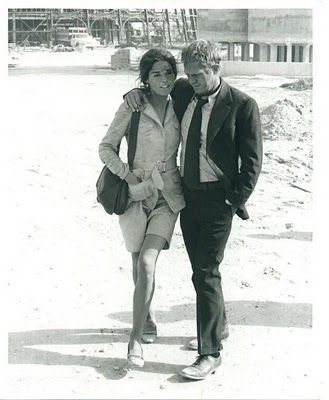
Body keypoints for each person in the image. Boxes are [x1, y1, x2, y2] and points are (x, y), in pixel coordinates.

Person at [124, 39, 262, 379]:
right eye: (189, 75)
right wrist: (133, 93)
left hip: (219, 200)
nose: (193, 80)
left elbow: (253, 161)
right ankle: (221, 326)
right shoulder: (185, 91)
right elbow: (154, 86)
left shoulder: (243, 105)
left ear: (216, 69)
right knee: (200, 270)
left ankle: (210, 352)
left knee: (205, 272)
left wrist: (235, 198)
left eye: (199, 75)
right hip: (187, 197)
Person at [99, 48, 185, 368]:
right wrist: (127, 174)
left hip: (167, 197)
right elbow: (106, 147)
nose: (164, 80)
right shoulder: (132, 105)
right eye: (156, 74)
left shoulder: (182, 105)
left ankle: (134, 340)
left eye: (168, 73)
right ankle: (146, 317)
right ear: (145, 79)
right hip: (134, 196)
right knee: (138, 265)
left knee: (147, 263)